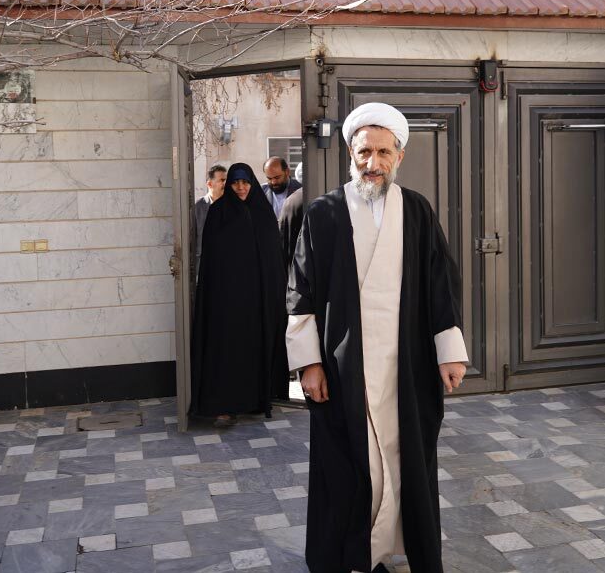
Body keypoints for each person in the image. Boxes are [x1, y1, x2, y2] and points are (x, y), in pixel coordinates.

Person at [285, 102, 468, 573]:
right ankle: (352, 554)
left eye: (384, 152)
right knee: (347, 464)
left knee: (408, 458)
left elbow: (441, 285)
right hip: (343, 370)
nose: (374, 162)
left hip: (406, 367)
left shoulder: (417, 211)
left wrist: (449, 353)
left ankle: (395, 547)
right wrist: (309, 364)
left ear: (399, 156)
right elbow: (300, 292)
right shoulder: (323, 212)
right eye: (365, 151)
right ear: (351, 153)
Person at [190, 163, 286, 426]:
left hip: (257, 301)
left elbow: (273, 259)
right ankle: (225, 406)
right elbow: (212, 261)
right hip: (227, 300)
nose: (241, 188)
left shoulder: (263, 213)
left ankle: (255, 400)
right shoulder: (218, 213)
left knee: (254, 349)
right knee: (228, 350)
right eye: (235, 183)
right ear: (228, 185)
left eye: (245, 182)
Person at [194, 164, 227, 277]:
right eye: (222, 180)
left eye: (226, 180)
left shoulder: (233, 206)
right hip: (204, 268)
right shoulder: (198, 207)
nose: (225, 184)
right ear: (209, 184)